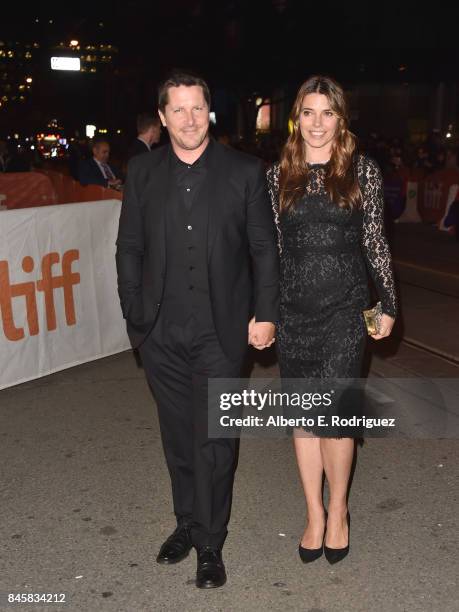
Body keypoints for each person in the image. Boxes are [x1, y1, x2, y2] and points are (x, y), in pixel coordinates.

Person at [116, 71, 279, 589]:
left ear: (209, 111)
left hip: (221, 332)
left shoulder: (245, 172)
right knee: (178, 437)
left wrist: (266, 311)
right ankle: (185, 521)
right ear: (162, 117)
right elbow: (129, 248)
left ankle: (210, 542)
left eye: (197, 108)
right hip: (160, 331)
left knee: (214, 438)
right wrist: (134, 310)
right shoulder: (141, 173)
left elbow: (263, 250)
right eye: (177, 110)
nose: (188, 119)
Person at [267, 75, 397, 565]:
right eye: (308, 112)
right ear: (296, 118)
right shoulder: (277, 173)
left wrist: (386, 304)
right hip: (294, 310)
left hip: (346, 308)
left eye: (328, 113)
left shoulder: (361, 170)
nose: (317, 123)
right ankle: (313, 513)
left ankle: (339, 510)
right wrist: (266, 312)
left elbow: (375, 242)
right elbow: (273, 251)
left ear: (341, 120)